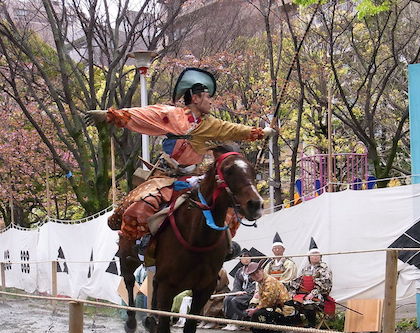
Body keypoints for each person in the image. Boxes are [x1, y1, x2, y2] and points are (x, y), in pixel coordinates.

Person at [84, 67, 276, 242]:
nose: (210, 102)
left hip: (196, 178)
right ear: (195, 98)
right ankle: (142, 242)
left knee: (230, 206)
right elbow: (142, 115)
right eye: (207, 97)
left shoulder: (211, 124)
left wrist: (263, 132)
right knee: (142, 204)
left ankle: (225, 243)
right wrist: (109, 115)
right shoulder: (170, 114)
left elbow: (236, 130)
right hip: (165, 177)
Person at [288, 237, 333, 328]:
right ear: (309, 257)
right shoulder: (306, 268)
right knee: (290, 301)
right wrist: (291, 291)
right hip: (304, 294)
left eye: (317, 254)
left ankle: (311, 325)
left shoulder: (324, 268)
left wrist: (313, 293)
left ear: (320, 256)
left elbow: (326, 285)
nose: (315, 256)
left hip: (319, 296)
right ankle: (297, 323)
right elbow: (298, 281)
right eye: (313, 254)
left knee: (308, 303)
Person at [244, 262, 298, 333]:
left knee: (257, 314)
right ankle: (268, 332)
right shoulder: (261, 282)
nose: (256, 275)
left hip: (284, 310)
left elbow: (268, 301)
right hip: (274, 308)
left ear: (262, 270)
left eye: (257, 272)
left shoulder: (269, 282)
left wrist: (255, 309)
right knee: (252, 316)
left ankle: (277, 330)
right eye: (253, 274)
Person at [222, 250, 256, 331]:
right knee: (227, 299)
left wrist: (246, 291)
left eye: (248, 257)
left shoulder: (254, 269)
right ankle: (230, 321)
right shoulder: (240, 271)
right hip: (241, 292)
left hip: (250, 293)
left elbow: (256, 283)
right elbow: (237, 284)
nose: (246, 259)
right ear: (240, 259)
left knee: (235, 300)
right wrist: (237, 291)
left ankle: (237, 322)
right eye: (243, 257)